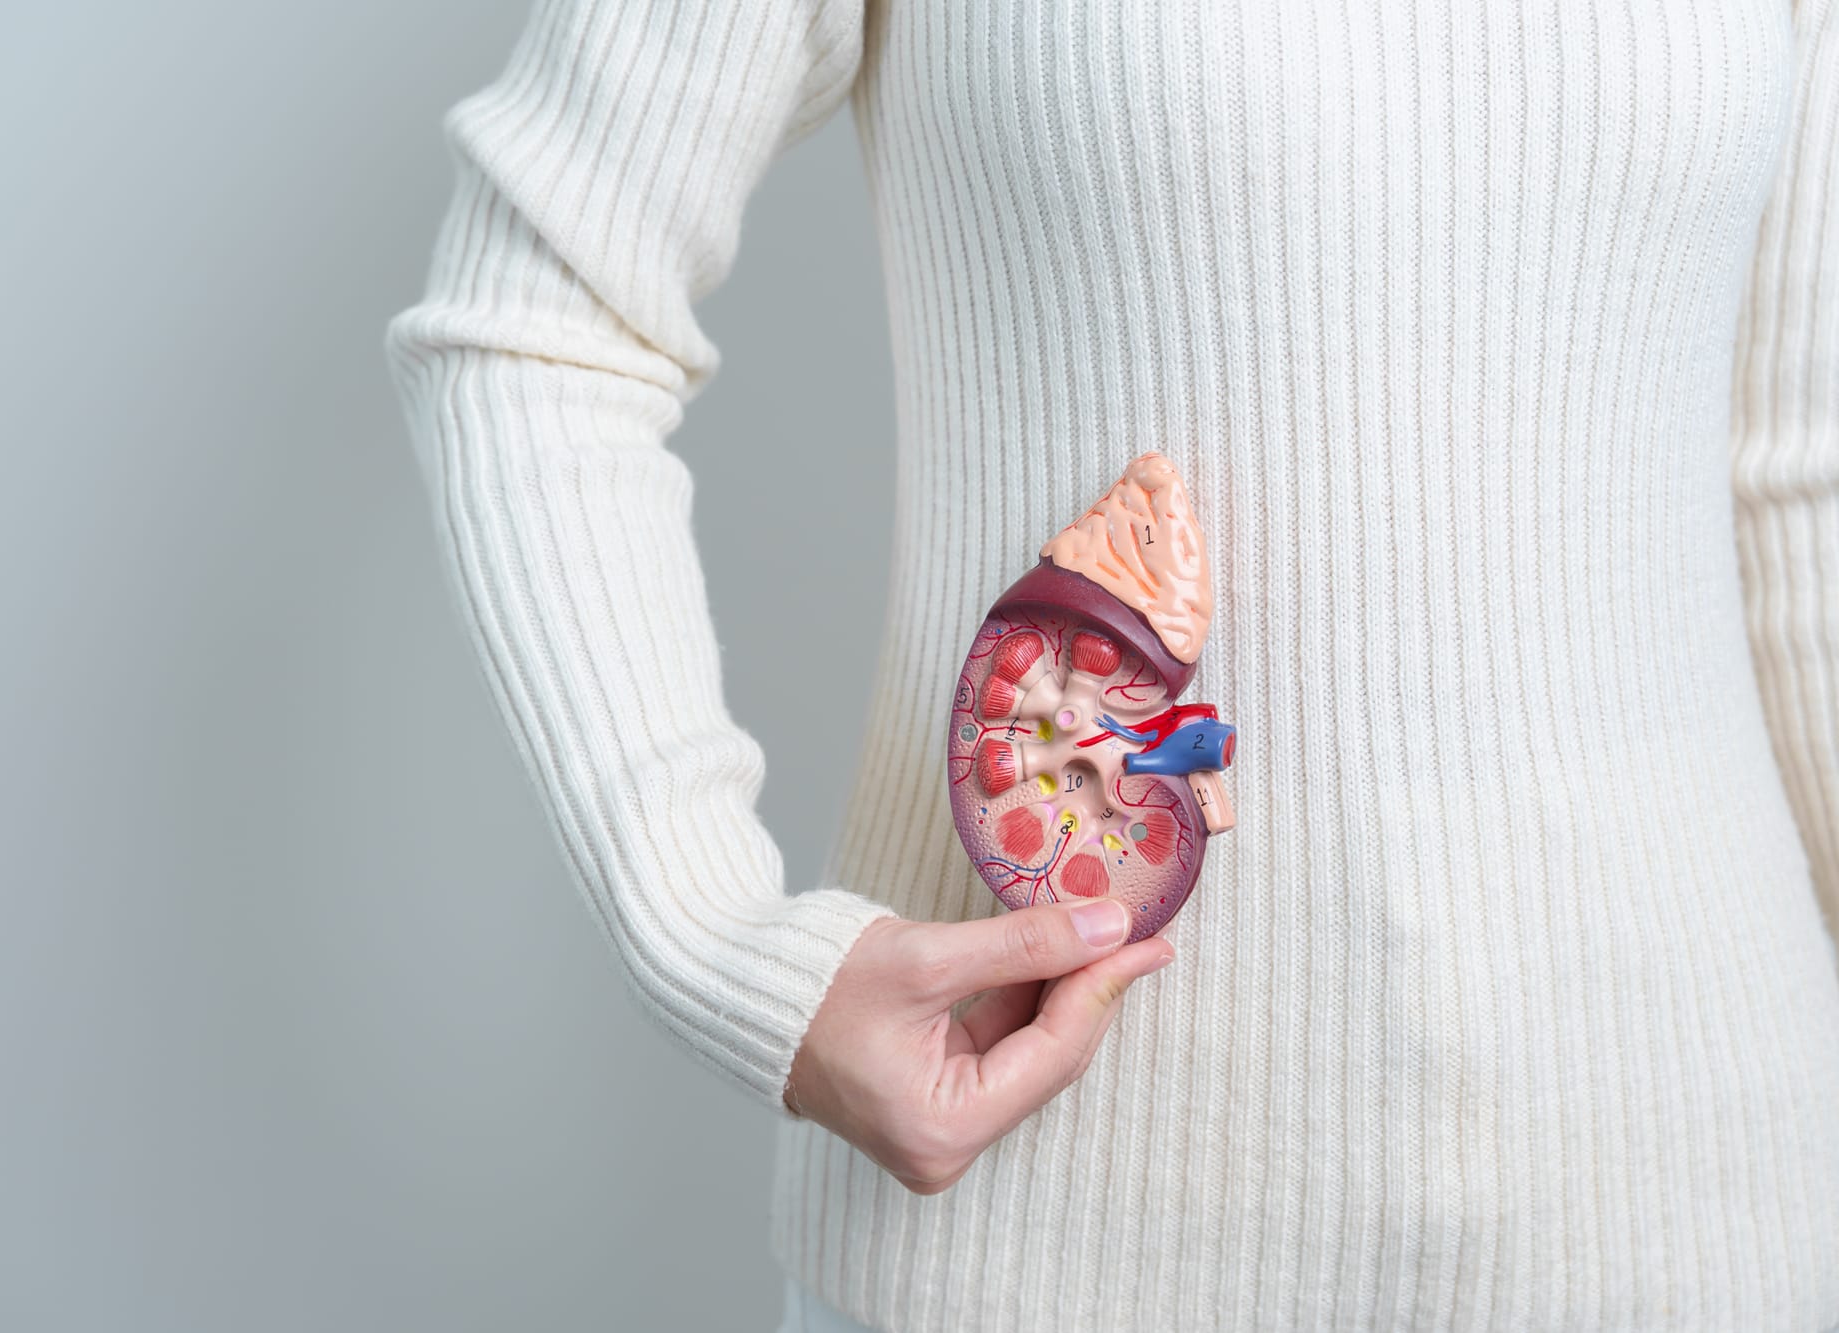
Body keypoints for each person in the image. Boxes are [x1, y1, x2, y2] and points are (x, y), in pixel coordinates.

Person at [384, 1, 1839, 1328]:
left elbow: (1794, 476)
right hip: (1056, 1238)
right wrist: (712, 936)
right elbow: (541, 315)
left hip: (1711, 1205)